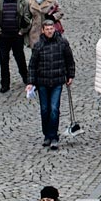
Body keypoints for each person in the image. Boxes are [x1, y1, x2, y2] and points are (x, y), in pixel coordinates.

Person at [28, 20, 75, 151]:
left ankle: (54, 136)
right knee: (44, 109)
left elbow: (69, 60)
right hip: (42, 82)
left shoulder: (62, 43)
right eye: (47, 29)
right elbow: (32, 65)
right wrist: (30, 82)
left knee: (54, 109)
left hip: (57, 82)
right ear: (43, 30)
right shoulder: (38, 46)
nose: (50, 31)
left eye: (51, 29)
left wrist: (70, 75)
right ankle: (47, 135)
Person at [0, 0, 33, 94]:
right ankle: (5, 84)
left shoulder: (22, 2)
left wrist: (22, 31)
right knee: (3, 60)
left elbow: (28, 19)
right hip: (3, 36)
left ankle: (25, 77)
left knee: (20, 58)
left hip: (16, 35)